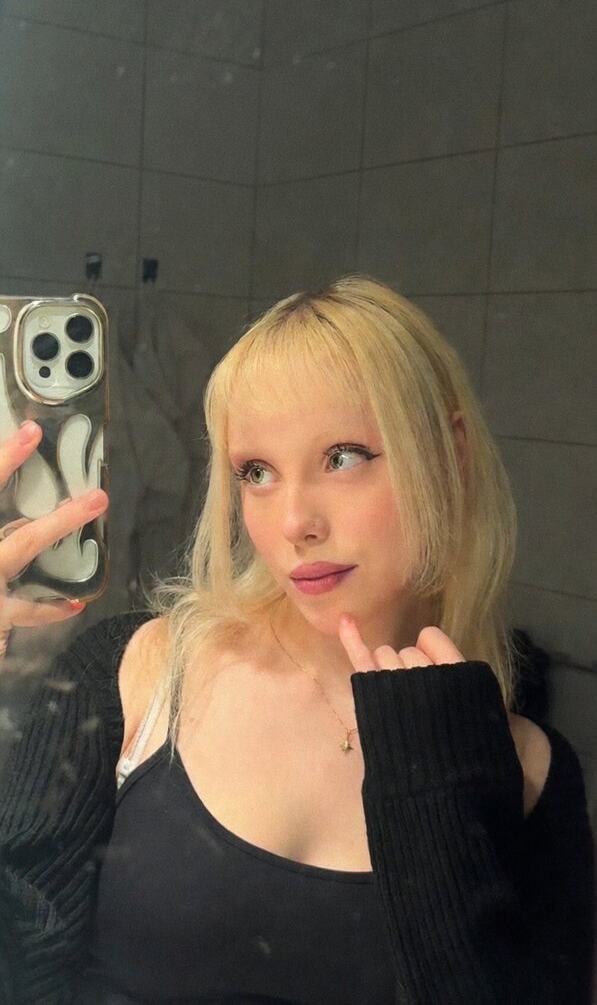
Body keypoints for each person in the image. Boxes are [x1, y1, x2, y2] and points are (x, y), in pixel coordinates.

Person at [0, 275, 594, 1005]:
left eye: (343, 457)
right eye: (257, 472)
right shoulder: (139, 674)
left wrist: (434, 785)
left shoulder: (529, 771)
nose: (293, 523)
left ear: (450, 453)